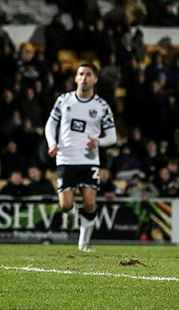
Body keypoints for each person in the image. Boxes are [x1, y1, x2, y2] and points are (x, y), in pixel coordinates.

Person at [45, 62, 117, 252]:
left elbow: (112, 137)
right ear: (76, 78)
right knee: (66, 204)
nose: (84, 78)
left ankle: (83, 244)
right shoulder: (64, 100)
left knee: (90, 203)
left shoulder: (101, 106)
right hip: (66, 158)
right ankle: (69, 213)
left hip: (89, 159)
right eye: (81, 74)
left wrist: (98, 142)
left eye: (88, 74)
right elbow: (50, 124)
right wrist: (52, 143)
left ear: (95, 79)